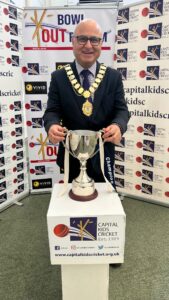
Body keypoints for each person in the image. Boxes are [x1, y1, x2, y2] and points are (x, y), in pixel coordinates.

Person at [43, 19, 130, 188]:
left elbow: (122, 110)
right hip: (71, 153)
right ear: (73, 42)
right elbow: (51, 111)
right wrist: (52, 125)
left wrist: (119, 126)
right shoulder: (58, 77)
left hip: (103, 152)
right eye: (82, 39)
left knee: (104, 204)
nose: (88, 45)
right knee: (72, 204)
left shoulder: (113, 77)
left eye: (94, 40)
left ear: (101, 43)